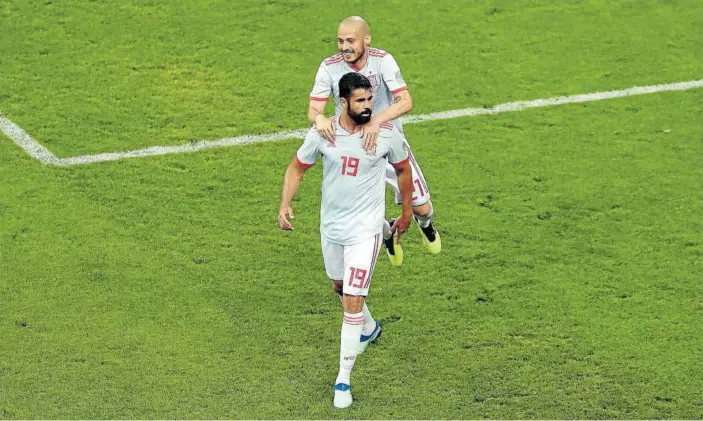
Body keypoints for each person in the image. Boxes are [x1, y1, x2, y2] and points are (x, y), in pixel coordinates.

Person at [279, 73, 413, 409]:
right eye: (361, 101)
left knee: (352, 299)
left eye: (370, 100)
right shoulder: (324, 133)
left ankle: (343, 380)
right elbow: (297, 167)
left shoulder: (385, 134)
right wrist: (285, 204)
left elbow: (403, 170)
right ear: (343, 102)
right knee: (339, 288)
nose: (368, 107)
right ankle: (368, 328)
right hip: (332, 228)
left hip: (364, 231)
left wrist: (407, 211)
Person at [308, 16, 441, 267]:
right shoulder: (329, 67)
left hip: (388, 144)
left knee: (422, 208)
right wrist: (319, 119)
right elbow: (314, 108)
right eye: (340, 41)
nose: (344, 47)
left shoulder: (383, 61)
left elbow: (406, 101)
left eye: (350, 40)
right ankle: (387, 233)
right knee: (355, 210)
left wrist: (375, 121)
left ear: (366, 39)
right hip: (353, 151)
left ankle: (426, 225)